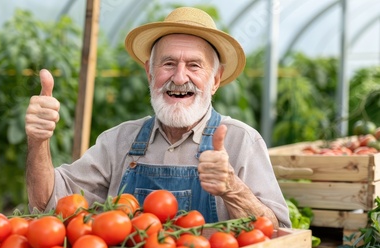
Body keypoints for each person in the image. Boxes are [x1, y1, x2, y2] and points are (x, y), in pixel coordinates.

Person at [25, 7, 291, 228]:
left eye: (194, 65)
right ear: (150, 74)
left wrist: (233, 189)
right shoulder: (118, 142)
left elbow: (278, 232)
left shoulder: (241, 142)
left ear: (216, 80)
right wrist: (39, 142)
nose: (179, 77)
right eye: (168, 63)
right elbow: (47, 204)